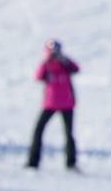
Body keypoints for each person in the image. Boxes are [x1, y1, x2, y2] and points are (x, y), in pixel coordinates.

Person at [26, 39, 79, 171]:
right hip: (50, 103)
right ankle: (33, 162)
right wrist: (47, 61)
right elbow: (38, 76)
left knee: (68, 134)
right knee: (38, 131)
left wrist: (64, 60)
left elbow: (76, 69)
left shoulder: (65, 65)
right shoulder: (46, 65)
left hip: (66, 103)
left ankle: (70, 163)